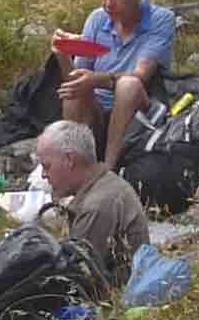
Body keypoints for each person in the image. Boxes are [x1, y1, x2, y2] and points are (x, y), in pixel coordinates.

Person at [60, 0, 176, 170]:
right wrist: (61, 52)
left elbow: (141, 76)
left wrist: (96, 80)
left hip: (137, 108)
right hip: (97, 110)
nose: (108, 3)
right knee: (72, 94)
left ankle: (109, 169)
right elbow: (76, 77)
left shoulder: (161, 20)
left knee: (128, 85)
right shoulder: (97, 19)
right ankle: (75, 168)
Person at [31, 120, 149, 303]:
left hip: (118, 296)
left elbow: (76, 277)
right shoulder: (104, 182)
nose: (43, 175)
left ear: (70, 160)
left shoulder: (96, 207)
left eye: (47, 166)